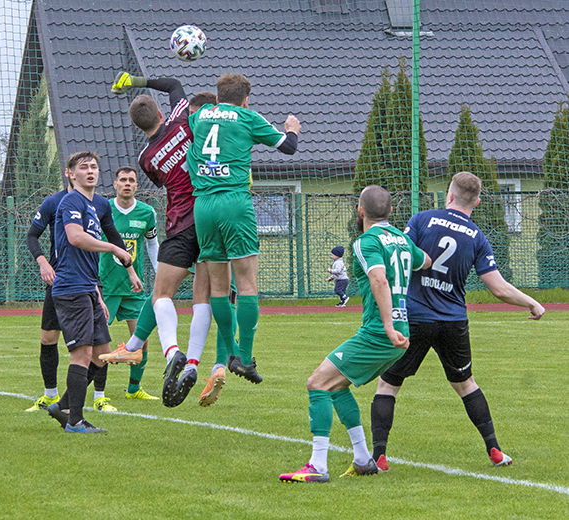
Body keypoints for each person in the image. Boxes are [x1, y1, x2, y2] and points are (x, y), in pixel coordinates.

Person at [370, 171, 545, 471]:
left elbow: (400, 255)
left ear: (449, 195)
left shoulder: (423, 219)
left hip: (416, 317)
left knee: (388, 384)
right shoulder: (477, 236)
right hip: (453, 320)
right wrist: (532, 302)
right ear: (476, 201)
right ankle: (495, 450)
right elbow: (498, 288)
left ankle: (380, 456)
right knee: (466, 384)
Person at [279, 185, 430, 483]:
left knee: (317, 383)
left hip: (379, 333)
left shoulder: (365, 242)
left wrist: (386, 324)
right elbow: (424, 260)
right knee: (336, 386)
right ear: (390, 212)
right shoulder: (402, 240)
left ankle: (317, 465)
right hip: (400, 331)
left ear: (360, 210)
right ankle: (362, 459)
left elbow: (379, 279)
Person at [101, 72, 217, 408]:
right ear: (163, 114)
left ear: (139, 127)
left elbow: (159, 178)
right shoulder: (184, 120)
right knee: (205, 296)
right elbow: (172, 84)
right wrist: (133, 81)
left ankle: (171, 351)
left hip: (179, 222)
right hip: (209, 215)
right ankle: (196, 362)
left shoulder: (145, 159)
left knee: (161, 293)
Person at [186, 73, 301, 405]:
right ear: (246, 98)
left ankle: (232, 353)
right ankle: (244, 359)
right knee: (247, 284)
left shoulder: (199, 116)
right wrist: (291, 127)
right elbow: (289, 149)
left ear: (218, 96)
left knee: (219, 288)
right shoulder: (248, 117)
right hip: (235, 202)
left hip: (203, 205)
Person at [24, 162, 141, 413]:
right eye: (83, 167)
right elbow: (35, 235)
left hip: (87, 283)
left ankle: (96, 398)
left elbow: (113, 238)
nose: (90, 172)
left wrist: (128, 269)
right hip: (64, 280)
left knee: (100, 351)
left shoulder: (99, 204)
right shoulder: (59, 202)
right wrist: (43, 262)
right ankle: (53, 399)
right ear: (69, 173)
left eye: (95, 167)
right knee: (55, 340)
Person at [98, 165, 160, 400]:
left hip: (134, 288)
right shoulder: (103, 209)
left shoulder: (147, 213)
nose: (127, 183)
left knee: (141, 341)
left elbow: (153, 245)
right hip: (106, 286)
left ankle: (134, 389)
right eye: (122, 179)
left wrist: (161, 272)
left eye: (131, 180)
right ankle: (97, 393)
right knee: (98, 343)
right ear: (115, 184)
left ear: (136, 185)